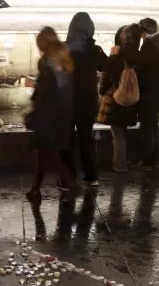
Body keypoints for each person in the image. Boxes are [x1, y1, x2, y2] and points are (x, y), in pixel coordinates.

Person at [25, 27, 76, 204]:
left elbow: (44, 94)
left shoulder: (47, 65)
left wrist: (34, 89)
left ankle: (72, 185)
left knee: (51, 156)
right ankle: (35, 189)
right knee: (44, 155)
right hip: (61, 118)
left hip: (47, 120)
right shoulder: (65, 63)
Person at [63, 12, 107, 186]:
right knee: (86, 139)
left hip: (68, 103)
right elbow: (106, 66)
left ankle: (67, 178)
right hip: (88, 103)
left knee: (67, 140)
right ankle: (92, 176)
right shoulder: (94, 49)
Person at [122, 17, 159, 170]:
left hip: (149, 93)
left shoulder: (150, 45)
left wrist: (128, 45)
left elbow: (137, 59)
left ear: (143, 32)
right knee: (153, 127)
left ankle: (148, 161)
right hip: (157, 91)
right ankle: (154, 159)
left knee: (147, 128)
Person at [100, 24, 141, 173]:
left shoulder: (115, 57)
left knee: (117, 134)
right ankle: (124, 160)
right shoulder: (138, 56)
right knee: (122, 132)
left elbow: (105, 77)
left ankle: (119, 165)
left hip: (116, 100)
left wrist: (102, 90)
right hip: (131, 100)